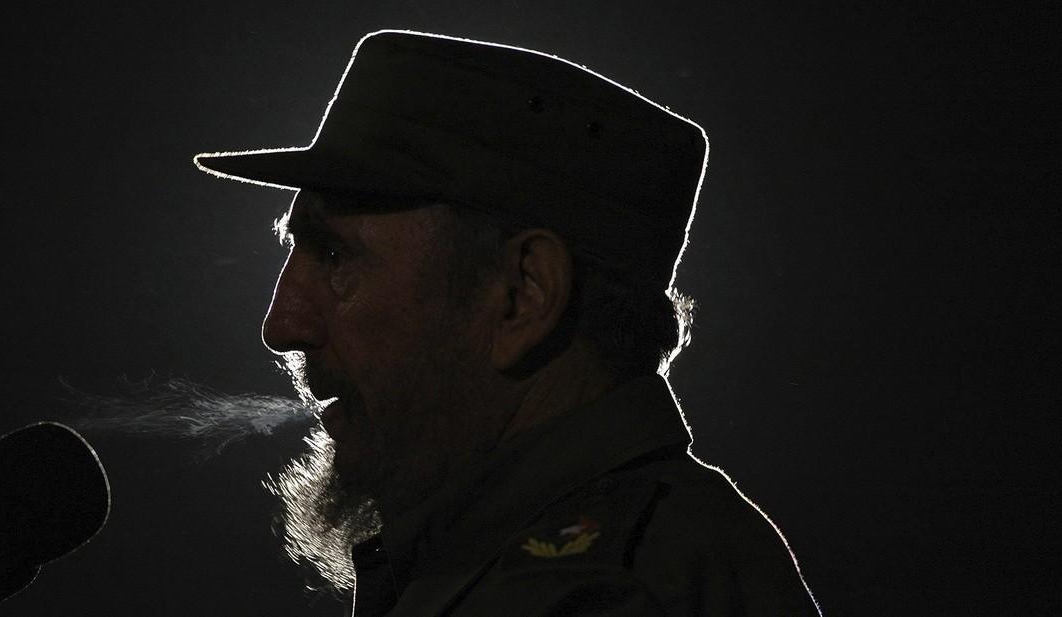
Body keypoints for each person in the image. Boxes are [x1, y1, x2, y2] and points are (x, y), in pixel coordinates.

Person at [195, 29, 820, 617]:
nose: (281, 325)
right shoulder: (538, 561)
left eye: (334, 257)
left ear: (522, 296)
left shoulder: (596, 595)